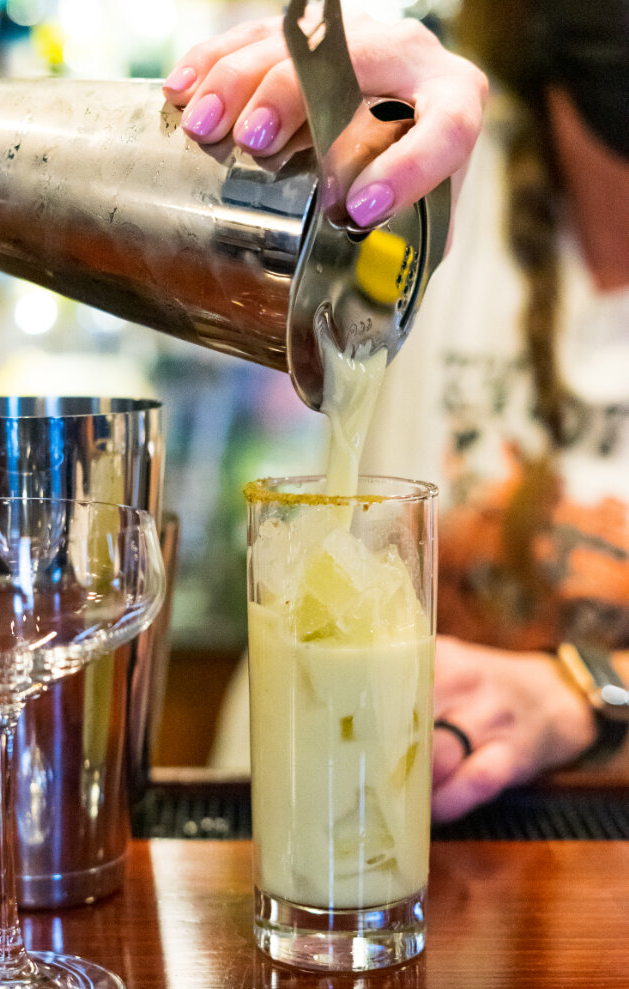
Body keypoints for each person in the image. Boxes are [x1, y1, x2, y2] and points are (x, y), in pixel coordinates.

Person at [162, 0, 629, 822]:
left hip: (582, 847)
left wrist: (579, 691)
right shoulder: (456, 169)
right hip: (310, 799)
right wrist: (366, 113)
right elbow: (245, 247)